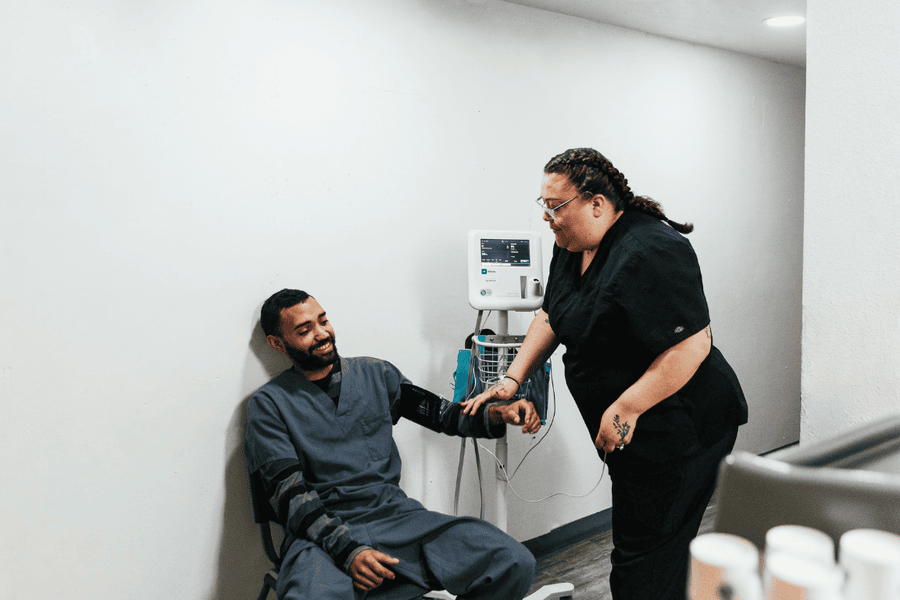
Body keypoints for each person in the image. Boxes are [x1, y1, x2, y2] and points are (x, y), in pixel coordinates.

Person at [462, 148, 748, 600]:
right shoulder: (571, 245)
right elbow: (552, 313)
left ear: (595, 203)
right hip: (635, 436)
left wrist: (624, 408)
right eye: (543, 205)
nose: (547, 218)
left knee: (643, 562)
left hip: (683, 429)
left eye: (555, 207)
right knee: (655, 549)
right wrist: (512, 379)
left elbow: (692, 344)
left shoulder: (652, 249)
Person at [243, 289, 536, 600]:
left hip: (397, 518)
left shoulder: (376, 374)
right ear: (277, 343)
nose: (321, 333)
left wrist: (498, 413)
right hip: (321, 536)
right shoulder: (268, 405)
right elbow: (290, 497)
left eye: (323, 320)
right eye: (304, 330)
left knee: (512, 561)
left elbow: (442, 415)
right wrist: (348, 551)